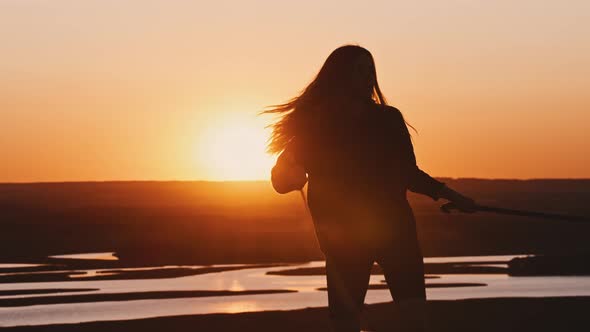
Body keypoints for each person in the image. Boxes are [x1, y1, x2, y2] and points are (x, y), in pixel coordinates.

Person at [265, 45, 476, 332]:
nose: (368, 77)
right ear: (340, 75)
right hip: (342, 237)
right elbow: (280, 182)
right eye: (360, 70)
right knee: (346, 323)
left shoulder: (387, 119)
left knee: (414, 319)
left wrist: (452, 195)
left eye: (370, 70)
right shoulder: (313, 126)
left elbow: (407, 173)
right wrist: (288, 175)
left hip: (394, 230)